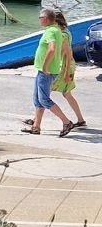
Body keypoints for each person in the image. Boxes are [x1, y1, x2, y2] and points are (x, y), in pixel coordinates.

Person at [23, 8, 74, 136]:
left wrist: (45, 66)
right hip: (47, 70)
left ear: (46, 19)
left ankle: (66, 122)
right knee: (37, 99)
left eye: (40, 17)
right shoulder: (56, 30)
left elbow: (51, 49)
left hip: (46, 71)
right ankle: (36, 127)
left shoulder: (51, 31)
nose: (39, 19)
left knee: (44, 99)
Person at [52, 10, 88, 129]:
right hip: (67, 65)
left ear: (56, 22)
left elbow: (67, 54)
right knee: (66, 94)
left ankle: (35, 121)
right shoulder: (66, 32)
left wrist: (66, 72)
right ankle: (81, 120)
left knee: (44, 93)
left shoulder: (62, 35)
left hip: (64, 66)